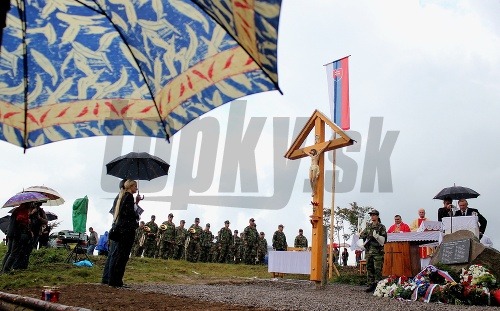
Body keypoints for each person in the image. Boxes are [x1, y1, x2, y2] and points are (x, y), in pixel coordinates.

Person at [102, 179, 140, 288]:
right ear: (130, 186)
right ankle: (116, 280)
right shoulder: (128, 197)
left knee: (117, 255)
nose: (136, 188)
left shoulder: (122, 197)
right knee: (121, 256)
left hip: (120, 229)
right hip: (126, 230)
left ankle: (111, 279)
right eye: (135, 186)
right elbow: (128, 214)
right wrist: (136, 215)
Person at [2, 203, 36, 273]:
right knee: (13, 253)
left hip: (10, 232)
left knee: (9, 252)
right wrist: (27, 221)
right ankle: (6, 270)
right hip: (16, 234)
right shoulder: (22, 211)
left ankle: (3, 269)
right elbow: (21, 220)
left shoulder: (16, 210)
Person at [359, 209, 387, 293]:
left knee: (377, 269)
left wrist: (377, 236)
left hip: (378, 252)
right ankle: (370, 285)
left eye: (374, 215)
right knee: (369, 268)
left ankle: (378, 286)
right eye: (371, 215)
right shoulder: (368, 226)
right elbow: (361, 236)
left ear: (377, 216)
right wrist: (361, 242)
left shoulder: (381, 227)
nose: (372, 216)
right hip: (369, 251)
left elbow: (384, 240)